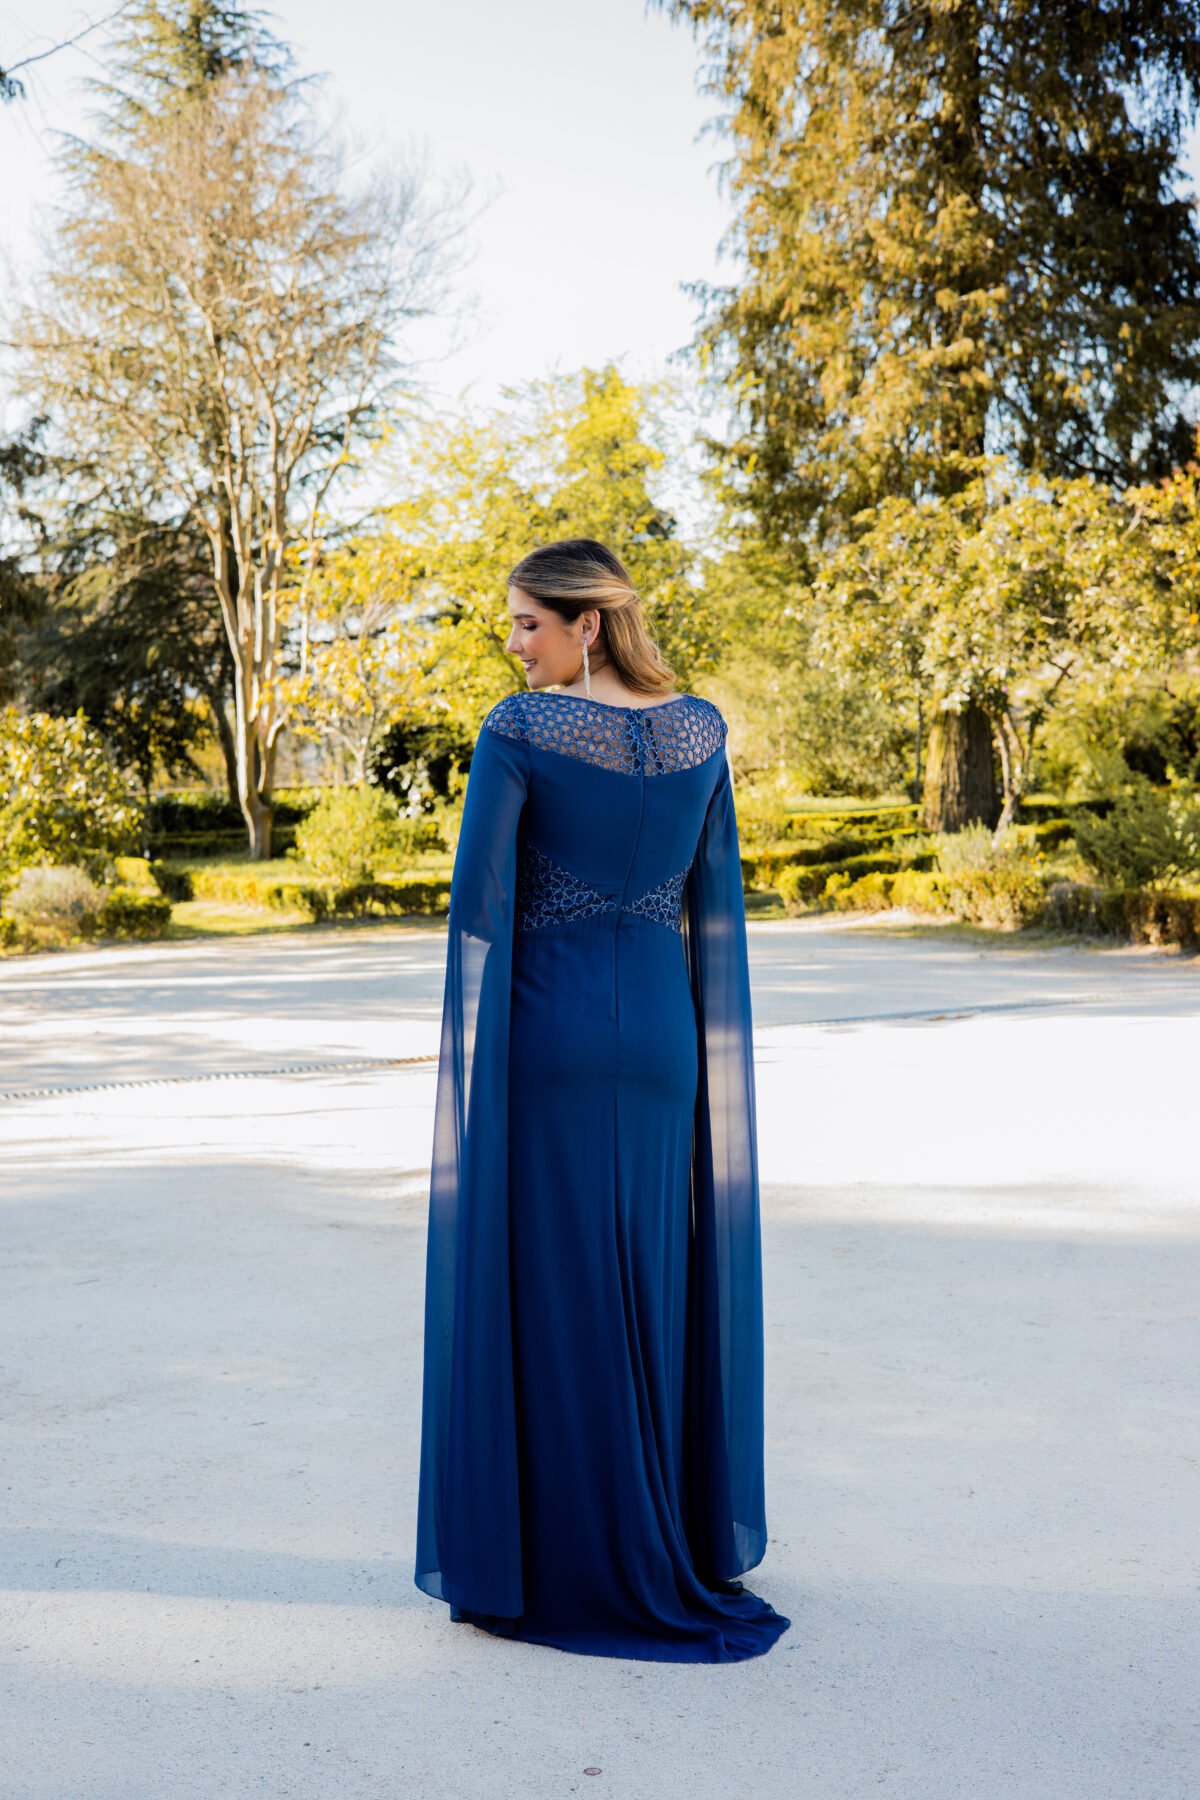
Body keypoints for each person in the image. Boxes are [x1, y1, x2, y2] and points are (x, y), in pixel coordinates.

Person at [414, 538, 790, 1662]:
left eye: (526, 622)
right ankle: (663, 1531)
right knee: (650, 1279)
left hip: (551, 1036)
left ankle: (569, 1552)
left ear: (587, 624)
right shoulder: (702, 732)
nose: (512, 643)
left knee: (554, 1284)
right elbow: (712, 911)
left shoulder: (519, 731)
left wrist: (475, 1062)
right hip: (664, 1043)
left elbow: (479, 910)